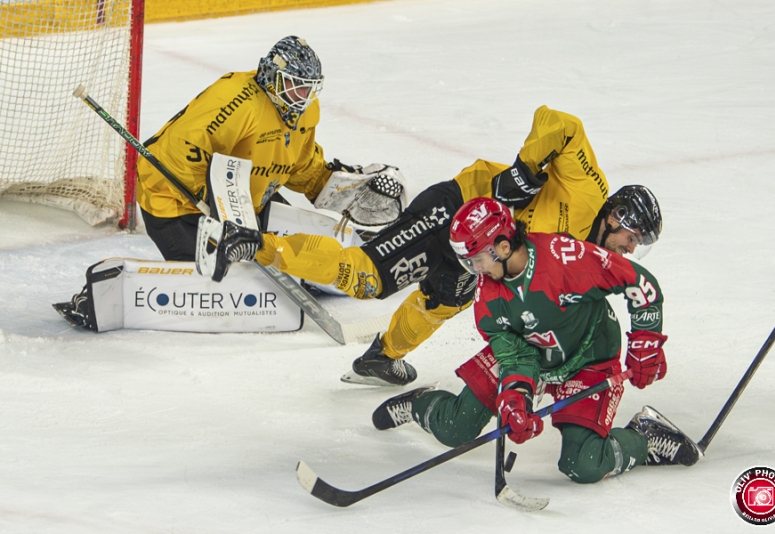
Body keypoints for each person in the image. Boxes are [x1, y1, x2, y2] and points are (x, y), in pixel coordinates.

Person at [211, 105, 663, 386]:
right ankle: (256, 244)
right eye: (632, 237)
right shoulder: (589, 189)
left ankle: (381, 358)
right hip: (458, 210)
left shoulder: (588, 260)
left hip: (480, 260)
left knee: (437, 304)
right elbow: (561, 123)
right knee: (365, 277)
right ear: (616, 215)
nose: (629, 248)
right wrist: (525, 172)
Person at [371, 198, 700, 484]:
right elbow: (515, 355)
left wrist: (646, 342)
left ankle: (645, 437)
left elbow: (639, 283)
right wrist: (517, 396)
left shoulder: (565, 260)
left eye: (476, 259)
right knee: (454, 429)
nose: (474, 269)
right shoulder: (488, 299)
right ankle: (418, 403)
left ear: (502, 246)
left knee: (583, 464)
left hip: (589, 358)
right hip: (538, 357)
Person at [136, 35, 404, 262]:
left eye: (308, 89)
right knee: (221, 284)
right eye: (294, 86)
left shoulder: (305, 110)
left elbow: (299, 165)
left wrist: (335, 188)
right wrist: (214, 203)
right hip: (176, 203)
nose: (302, 98)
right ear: (271, 75)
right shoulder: (235, 100)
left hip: (245, 203)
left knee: (307, 260)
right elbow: (179, 153)